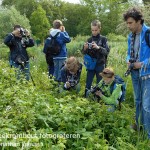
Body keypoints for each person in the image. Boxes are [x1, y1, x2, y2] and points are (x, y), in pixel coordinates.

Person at [123, 7, 150, 139]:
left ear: (139, 21)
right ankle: (139, 126)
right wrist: (128, 60)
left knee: (146, 106)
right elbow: (129, 53)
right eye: (127, 23)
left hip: (147, 75)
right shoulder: (130, 36)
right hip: (134, 73)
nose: (128, 26)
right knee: (138, 101)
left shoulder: (148, 33)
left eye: (131, 23)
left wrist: (143, 64)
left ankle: (148, 134)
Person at [82, 20, 110, 97]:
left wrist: (98, 48)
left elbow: (107, 51)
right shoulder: (89, 39)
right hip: (90, 64)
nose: (94, 32)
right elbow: (84, 53)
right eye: (92, 30)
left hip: (100, 64)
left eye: (96, 30)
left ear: (99, 29)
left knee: (100, 83)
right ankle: (86, 97)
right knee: (88, 82)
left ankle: (99, 99)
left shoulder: (104, 39)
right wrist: (85, 48)